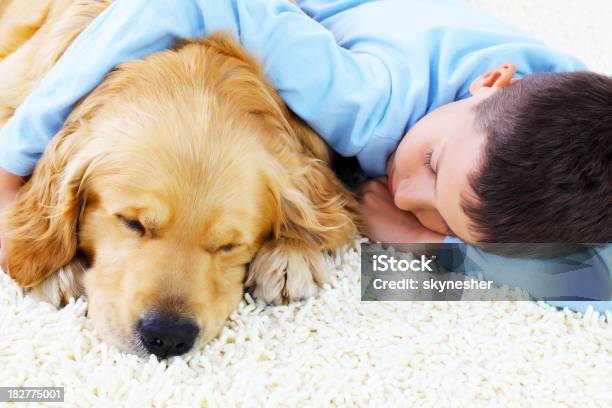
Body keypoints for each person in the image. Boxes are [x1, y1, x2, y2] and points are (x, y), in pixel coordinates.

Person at [0, 0, 610, 312]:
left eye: (439, 216)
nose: (402, 194)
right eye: (429, 165)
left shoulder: (579, 143)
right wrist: (13, 162)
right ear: (491, 82)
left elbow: (593, 286)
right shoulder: (362, 100)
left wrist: (427, 254)